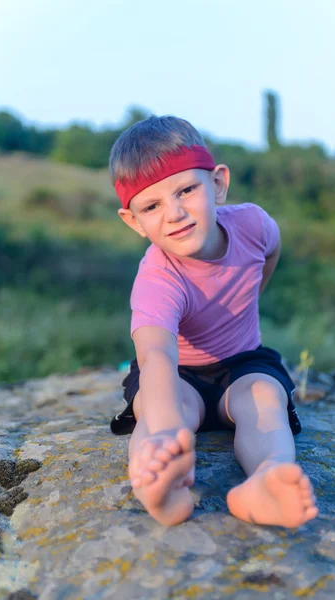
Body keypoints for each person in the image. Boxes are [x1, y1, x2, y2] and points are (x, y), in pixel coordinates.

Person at [109, 115, 318, 528]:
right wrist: (170, 434)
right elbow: (156, 357)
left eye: (186, 190)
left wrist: (251, 295)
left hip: (242, 363)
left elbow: (270, 253)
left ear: (217, 184)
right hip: (179, 373)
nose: (175, 213)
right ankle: (160, 484)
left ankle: (266, 480)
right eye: (152, 206)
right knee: (155, 404)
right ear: (134, 220)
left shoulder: (254, 226)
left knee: (264, 398)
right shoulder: (157, 278)